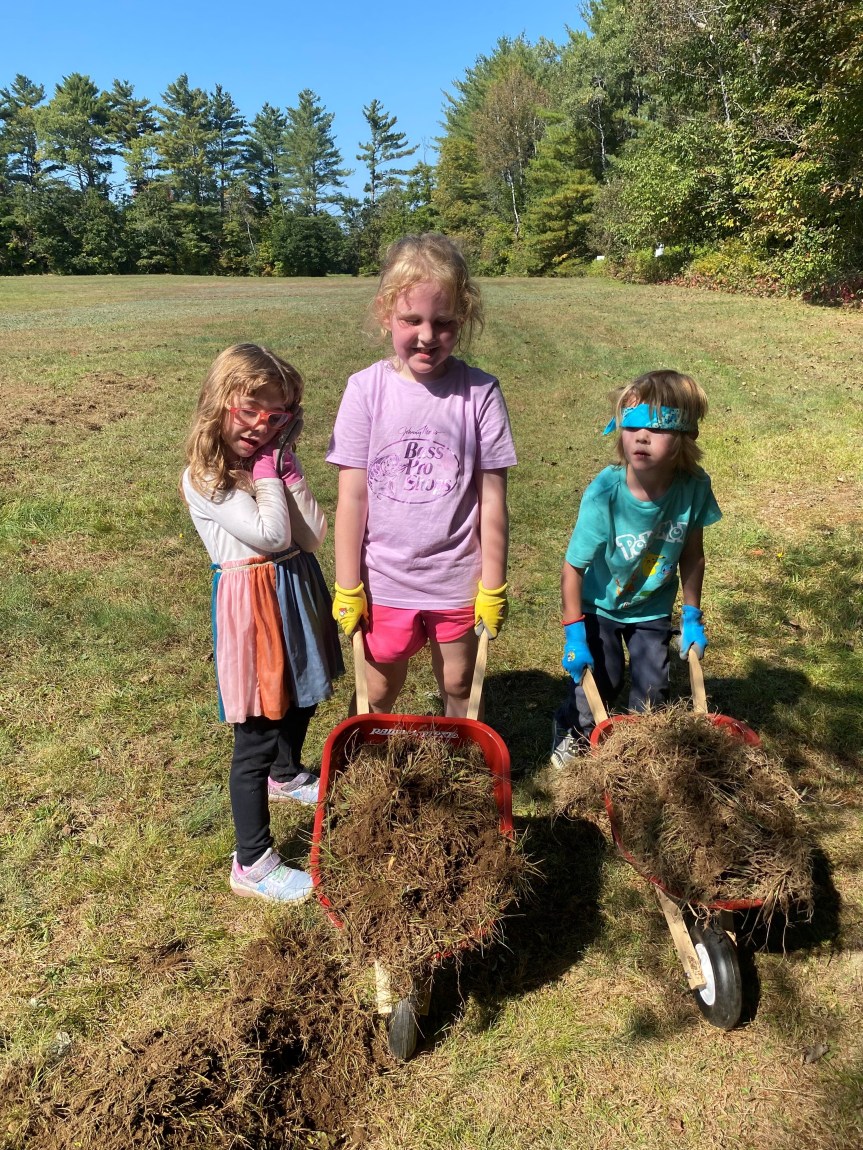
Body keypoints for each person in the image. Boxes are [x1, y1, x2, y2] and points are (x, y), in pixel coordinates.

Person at [326, 233, 517, 716]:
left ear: (463, 319)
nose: (427, 336)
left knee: (459, 683)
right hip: (383, 579)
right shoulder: (364, 390)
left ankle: (457, 753)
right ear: (385, 314)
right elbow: (351, 498)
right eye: (411, 320)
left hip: (457, 578)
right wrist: (348, 584)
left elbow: (493, 499)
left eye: (444, 322)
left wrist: (492, 584)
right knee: (377, 688)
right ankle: (369, 751)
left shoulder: (481, 393)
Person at [182, 343, 344, 902]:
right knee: (256, 733)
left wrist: (287, 470)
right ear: (220, 401)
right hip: (253, 607)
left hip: (294, 590)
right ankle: (251, 862)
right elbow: (272, 536)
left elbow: (312, 536)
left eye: (276, 417)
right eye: (251, 410)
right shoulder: (205, 475)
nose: (261, 426)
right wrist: (269, 473)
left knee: (304, 694)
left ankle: (287, 773)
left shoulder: (272, 461)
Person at [551, 369, 721, 768]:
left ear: (684, 437)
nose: (641, 437)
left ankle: (641, 753)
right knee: (601, 680)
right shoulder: (605, 494)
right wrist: (574, 634)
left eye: (656, 429)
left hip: (652, 607)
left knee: (652, 695)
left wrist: (692, 616)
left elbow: (692, 555)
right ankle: (572, 729)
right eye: (632, 426)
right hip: (600, 605)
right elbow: (573, 568)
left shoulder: (693, 487)